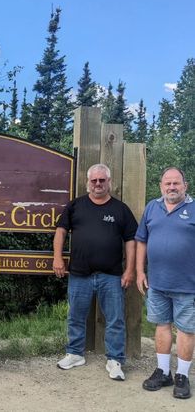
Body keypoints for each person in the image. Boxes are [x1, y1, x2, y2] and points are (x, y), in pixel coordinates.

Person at [53, 163, 138, 381]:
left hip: (111, 275)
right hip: (79, 274)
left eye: (102, 180)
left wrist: (129, 270)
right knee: (75, 317)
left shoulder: (121, 210)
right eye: (94, 180)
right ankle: (74, 353)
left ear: (109, 182)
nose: (98, 184)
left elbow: (131, 241)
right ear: (87, 182)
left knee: (115, 319)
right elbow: (61, 231)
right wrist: (57, 258)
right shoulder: (75, 206)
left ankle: (115, 359)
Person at [136, 167, 194, 400]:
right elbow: (141, 241)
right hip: (157, 283)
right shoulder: (152, 207)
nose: (172, 187)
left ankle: (182, 375)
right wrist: (140, 271)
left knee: (186, 330)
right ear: (161, 186)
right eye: (167, 183)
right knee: (161, 326)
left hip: (188, 285)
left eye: (176, 183)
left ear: (185, 185)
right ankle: (163, 372)